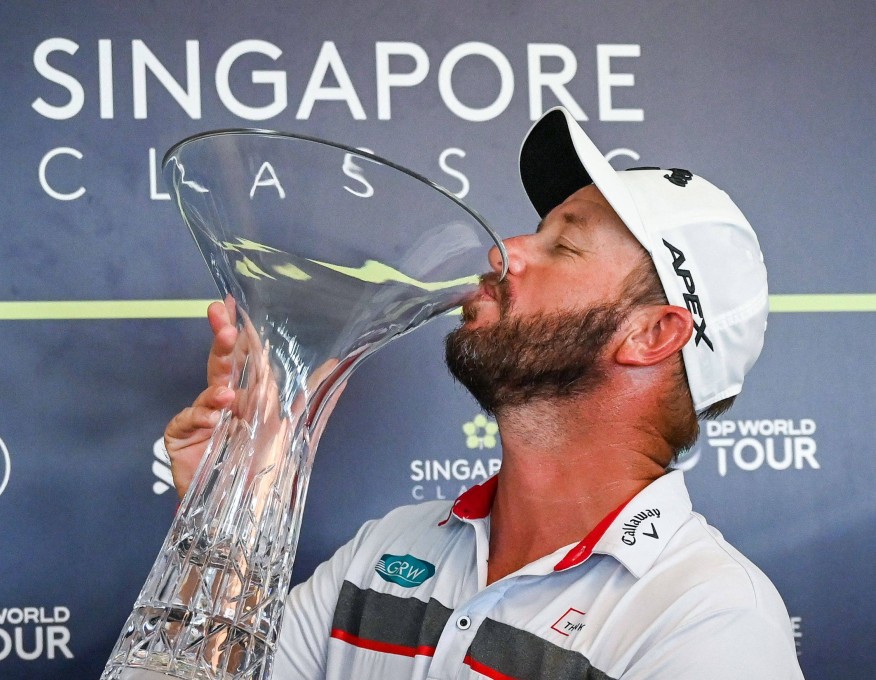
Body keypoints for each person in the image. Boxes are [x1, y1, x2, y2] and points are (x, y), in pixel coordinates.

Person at [164, 107, 805, 679]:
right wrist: (235, 510)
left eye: (565, 245)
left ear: (651, 333)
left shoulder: (707, 622)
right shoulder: (386, 551)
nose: (505, 252)